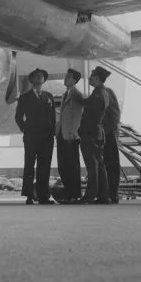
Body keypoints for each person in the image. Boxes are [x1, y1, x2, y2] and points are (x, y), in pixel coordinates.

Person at [15, 68, 56, 204]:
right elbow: (18, 116)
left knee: (44, 167)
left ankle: (43, 196)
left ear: (44, 80)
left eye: (42, 76)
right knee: (29, 165)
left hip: (46, 138)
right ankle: (29, 196)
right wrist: (25, 129)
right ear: (31, 80)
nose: (39, 78)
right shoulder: (25, 97)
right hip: (31, 137)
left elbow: (53, 116)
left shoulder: (49, 96)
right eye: (37, 76)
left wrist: (52, 133)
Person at [75, 66, 110, 204]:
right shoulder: (102, 92)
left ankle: (90, 196)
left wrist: (84, 132)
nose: (89, 78)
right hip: (98, 133)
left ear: (96, 78)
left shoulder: (98, 94)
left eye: (91, 76)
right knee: (99, 165)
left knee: (92, 166)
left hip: (91, 133)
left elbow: (91, 115)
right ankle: (103, 196)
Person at [55, 69, 84, 202]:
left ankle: (74, 194)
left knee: (72, 166)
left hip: (71, 136)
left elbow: (77, 116)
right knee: (63, 165)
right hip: (62, 134)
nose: (65, 79)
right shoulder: (65, 94)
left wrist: (73, 133)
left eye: (68, 77)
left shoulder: (76, 95)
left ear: (74, 80)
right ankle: (68, 192)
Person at [102, 80, 122, 204]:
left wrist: (110, 131)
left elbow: (115, 113)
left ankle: (113, 194)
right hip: (101, 134)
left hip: (108, 133)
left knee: (112, 164)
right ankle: (106, 193)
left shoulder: (107, 92)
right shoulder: (97, 92)